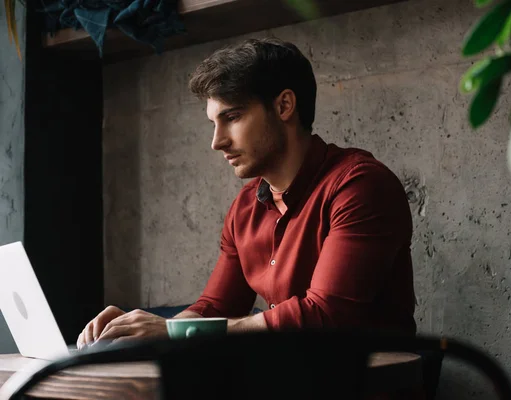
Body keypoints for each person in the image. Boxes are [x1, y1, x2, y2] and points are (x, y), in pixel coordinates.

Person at [77, 37, 416, 349]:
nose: (217, 141)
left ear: (284, 106)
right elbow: (216, 307)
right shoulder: (245, 209)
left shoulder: (360, 187)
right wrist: (141, 330)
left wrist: (172, 333)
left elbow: (325, 318)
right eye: (214, 123)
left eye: (233, 117)